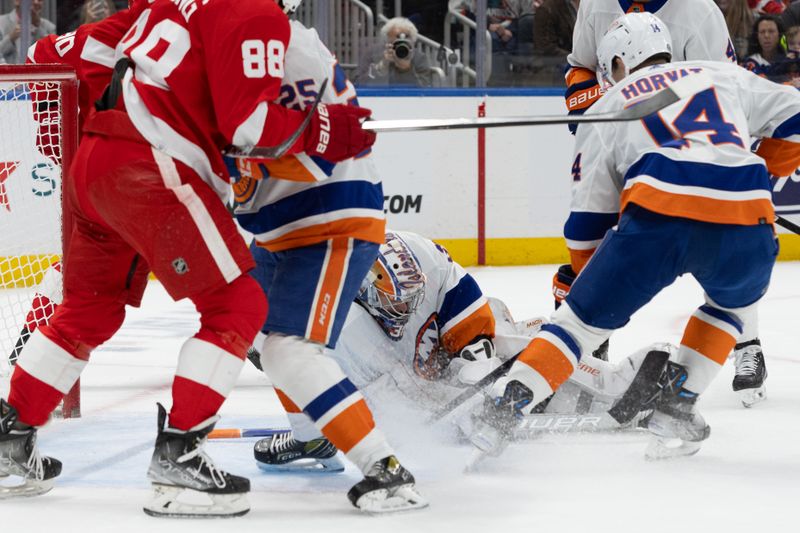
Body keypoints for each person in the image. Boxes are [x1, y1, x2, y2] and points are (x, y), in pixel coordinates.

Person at [0, 0, 375, 519]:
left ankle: (8, 443)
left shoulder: (161, 6)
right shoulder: (251, 9)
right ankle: (180, 459)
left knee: (89, 308)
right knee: (239, 306)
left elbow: (54, 55)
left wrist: (54, 134)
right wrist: (326, 131)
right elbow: (249, 126)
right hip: (150, 164)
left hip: (91, 163)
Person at [476, 12, 800, 461]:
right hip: (748, 219)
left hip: (658, 217)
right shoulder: (723, 74)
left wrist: (592, 292)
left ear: (618, 65)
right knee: (732, 306)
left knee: (576, 325)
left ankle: (503, 409)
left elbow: (588, 222)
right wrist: (763, 167)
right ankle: (677, 405)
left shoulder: (607, 106)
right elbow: (796, 118)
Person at [251, 231, 672, 472]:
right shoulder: (323, 314)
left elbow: (460, 292)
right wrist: (314, 432)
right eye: (396, 303)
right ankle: (311, 440)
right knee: (461, 415)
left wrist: (476, 351)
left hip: (443, 350)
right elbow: (289, 370)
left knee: (521, 338)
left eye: (408, 299)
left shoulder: (418, 257)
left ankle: (614, 383)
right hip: (395, 390)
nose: (404, 307)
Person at [229, 7, 426, 513]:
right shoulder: (268, 39)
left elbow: (297, 152)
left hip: (327, 214)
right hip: (283, 220)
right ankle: (313, 436)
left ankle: (387, 469)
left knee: (288, 351)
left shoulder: (282, 48)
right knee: (247, 328)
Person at [560, 0, 770, 403]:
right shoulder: (596, 4)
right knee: (594, 235)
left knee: (727, 248)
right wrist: (595, 120)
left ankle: (748, 345)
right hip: (622, 142)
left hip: (691, 148)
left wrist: (731, 167)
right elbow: (580, 65)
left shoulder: (698, 11)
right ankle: (591, 347)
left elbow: (727, 86)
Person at [354, 16, 435, 86]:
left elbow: (424, 89)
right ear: (386, 41)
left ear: (413, 41)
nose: (401, 46)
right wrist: (381, 67)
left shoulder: (419, 57)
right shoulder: (372, 53)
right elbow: (358, 84)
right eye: (395, 42)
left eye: (405, 41)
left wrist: (406, 69)